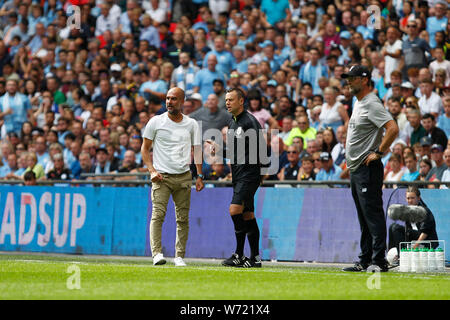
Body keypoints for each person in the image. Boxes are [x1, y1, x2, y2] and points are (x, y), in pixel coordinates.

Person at [342, 65, 399, 272]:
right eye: (347, 78)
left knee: (372, 215)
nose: (348, 81)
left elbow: (392, 128)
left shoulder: (372, 103)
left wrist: (379, 152)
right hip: (357, 168)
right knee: (364, 216)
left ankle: (378, 260)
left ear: (364, 80)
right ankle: (366, 259)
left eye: (352, 78)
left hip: (368, 168)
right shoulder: (358, 102)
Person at [141, 87, 204, 267]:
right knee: (158, 215)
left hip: (184, 176)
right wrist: (152, 170)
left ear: (182, 102)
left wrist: (199, 175)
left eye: (174, 99)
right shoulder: (155, 122)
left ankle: (179, 256)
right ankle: (157, 254)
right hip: (162, 177)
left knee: (182, 218)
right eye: (168, 98)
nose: (169, 102)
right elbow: (145, 149)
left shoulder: (191, 124)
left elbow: (197, 149)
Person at [221, 88, 266, 268]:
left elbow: (261, 150)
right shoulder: (233, 123)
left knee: (234, 210)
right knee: (248, 214)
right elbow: (234, 151)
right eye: (226, 100)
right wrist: (220, 150)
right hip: (239, 175)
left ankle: (239, 254)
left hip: (249, 174)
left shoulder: (250, 122)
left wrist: (257, 174)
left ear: (241, 101)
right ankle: (255, 258)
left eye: (231, 99)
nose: (227, 103)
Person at [388, 186, 439, 254]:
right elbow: (407, 231)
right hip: (414, 238)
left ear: (418, 198)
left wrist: (415, 247)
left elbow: (425, 232)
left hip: (426, 240)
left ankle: (403, 255)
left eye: (412, 198)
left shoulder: (424, 211)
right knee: (392, 227)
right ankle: (393, 253)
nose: (410, 201)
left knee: (396, 228)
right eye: (408, 198)